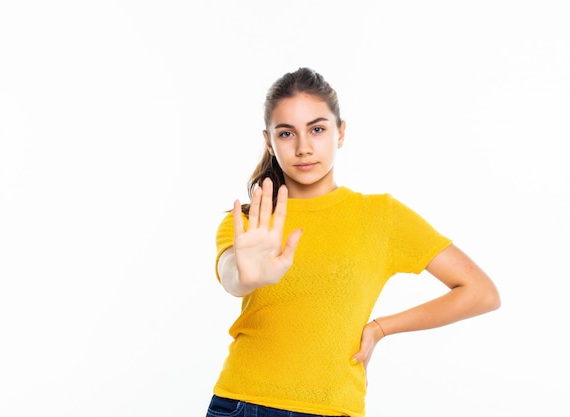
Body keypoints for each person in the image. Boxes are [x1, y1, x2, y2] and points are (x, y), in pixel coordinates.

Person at [206, 67, 500, 417]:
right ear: (269, 140)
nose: (303, 147)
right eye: (286, 133)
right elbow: (231, 278)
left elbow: (480, 292)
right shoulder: (248, 222)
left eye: (317, 129)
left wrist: (380, 328)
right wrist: (247, 276)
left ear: (340, 133)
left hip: (333, 409)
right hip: (243, 404)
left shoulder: (381, 216)